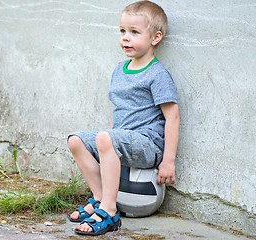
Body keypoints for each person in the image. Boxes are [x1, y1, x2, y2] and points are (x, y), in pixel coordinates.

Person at [67, 0, 180, 236]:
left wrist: (168, 160)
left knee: (106, 137)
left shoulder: (157, 74)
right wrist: (106, 138)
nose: (125, 38)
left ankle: (109, 212)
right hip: (119, 139)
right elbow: (117, 110)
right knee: (76, 140)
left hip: (148, 145)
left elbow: (173, 118)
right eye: (122, 31)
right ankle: (100, 199)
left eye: (134, 32)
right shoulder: (119, 70)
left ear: (155, 38)